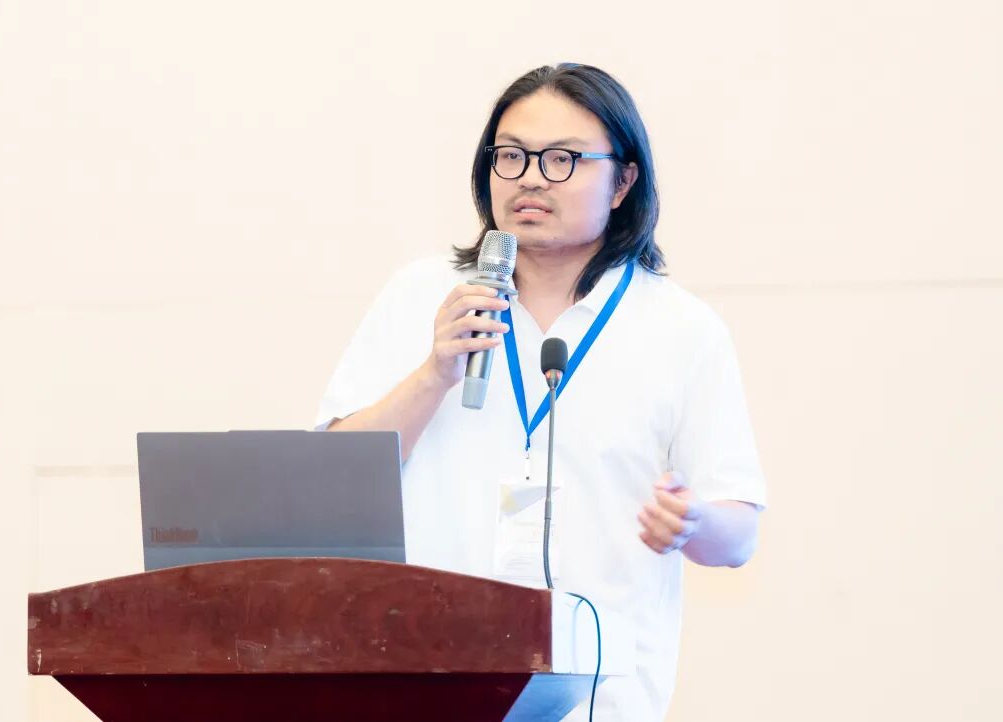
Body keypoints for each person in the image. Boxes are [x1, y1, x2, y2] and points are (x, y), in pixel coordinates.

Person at [315, 63, 767, 721]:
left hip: (599, 700)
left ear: (624, 181)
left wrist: (693, 523)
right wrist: (434, 373)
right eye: (511, 155)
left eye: (562, 159)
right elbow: (334, 481)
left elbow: (740, 535)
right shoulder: (420, 295)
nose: (530, 177)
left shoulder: (680, 330)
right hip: (423, 687)